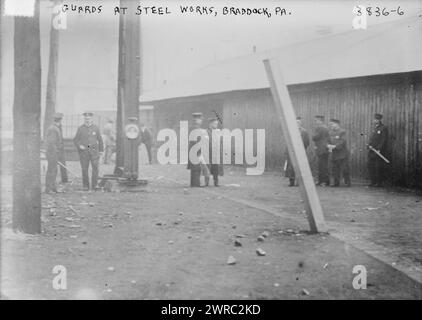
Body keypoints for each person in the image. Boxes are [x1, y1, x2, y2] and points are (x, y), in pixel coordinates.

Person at [73, 112, 104, 191]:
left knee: (95, 168)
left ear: (92, 119)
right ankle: (86, 185)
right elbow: (76, 140)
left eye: (89, 119)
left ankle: (94, 185)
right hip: (84, 152)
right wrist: (79, 146)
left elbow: (100, 140)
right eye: (86, 119)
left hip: (94, 151)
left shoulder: (96, 128)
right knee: (84, 169)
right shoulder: (80, 128)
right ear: (84, 119)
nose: (87, 120)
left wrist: (101, 151)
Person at [284, 117, 310, 186]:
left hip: (300, 152)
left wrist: (301, 150)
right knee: (291, 167)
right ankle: (291, 182)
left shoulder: (304, 132)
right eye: (296, 122)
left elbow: (307, 142)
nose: (297, 124)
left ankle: (299, 182)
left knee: (300, 167)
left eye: (298, 122)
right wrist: (287, 151)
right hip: (291, 152)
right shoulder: (290, 131)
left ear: (301, 123)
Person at [187, 113, 209, 187]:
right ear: (196, 120)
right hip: (196, 150)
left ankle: (194, 183)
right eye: (200, 120)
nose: (201, 121)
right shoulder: (195, 128)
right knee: (196, 168)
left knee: (195, 168)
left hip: (194, 150)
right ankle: (195, 184)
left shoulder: (193, 128)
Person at [45, 112, 65, 193]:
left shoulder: (54, 128)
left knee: (54, 170)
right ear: (60, 120)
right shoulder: (54, 129)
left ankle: (52, 187)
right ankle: (48, 188)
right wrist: (56, 152)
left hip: (53, 153)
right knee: (51, 170)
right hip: (52, 153)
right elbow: (52, 143)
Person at [367, 113, 389, 187]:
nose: (375, 120)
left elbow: (383, 140)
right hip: (372, 150)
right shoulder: (374, 128)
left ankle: (379, 183)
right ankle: (373, 181)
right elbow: (371, 139)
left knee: (378, 167)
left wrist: (379, 149)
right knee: (371, 166)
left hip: (378, 151)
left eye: (377, 119)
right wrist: (369, 145)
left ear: (380, 120)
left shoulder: (383, 128)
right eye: (374, 119)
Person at [328, 119, 351, 187]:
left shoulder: (342, 132)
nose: (331, 126)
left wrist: (335, 146)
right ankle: (336, 183)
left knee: (345, 169)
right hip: (334, 154)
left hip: (342, 154)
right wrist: (328, 145)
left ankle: (347, 182)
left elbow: (343, 141)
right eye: (330, 125)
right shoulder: (330, 132)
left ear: (337, 124)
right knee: (335, 169)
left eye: (332, 124)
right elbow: (328, 141)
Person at [312, 115, 330, 186]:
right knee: (323, 166)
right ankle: (324, 181)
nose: (315, 122)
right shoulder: (326, 128)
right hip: (325, 149)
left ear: (320, 121)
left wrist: (313, 136)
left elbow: (315, 137)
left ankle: (323, 182)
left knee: (322, 166)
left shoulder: (320, 128)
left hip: (321, 149)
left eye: (316, 120)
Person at [205, 117, 224, 186]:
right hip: (208, 153)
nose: (216, 125)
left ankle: (216, 182)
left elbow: (221, 142)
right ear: (210, 124)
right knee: (207, 167)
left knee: (216, 168)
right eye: (215, 124)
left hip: (215, 153)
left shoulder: (218, 132)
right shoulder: (206, 131)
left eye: (217, 124)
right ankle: (206, 182)